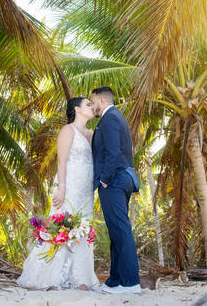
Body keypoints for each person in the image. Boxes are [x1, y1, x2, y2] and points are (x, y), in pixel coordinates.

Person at [16, 97, 100, 290]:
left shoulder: (92, 133)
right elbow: (61, 161)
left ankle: (81, 279)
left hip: (85, 188)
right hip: (68, 185)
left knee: (82, 227)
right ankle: (53, 278)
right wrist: (61, 187)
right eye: (88, 104)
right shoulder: (67, 130)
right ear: (77, 109)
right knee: (61, 226)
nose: (91, 107)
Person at [90, 86, 141, 294]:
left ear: (101, 100)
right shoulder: (116, 117)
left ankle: (131, 282)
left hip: (115, 180)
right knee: (117, 231)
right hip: (123, 179)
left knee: (120, 230)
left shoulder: (110, 118)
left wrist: (104, 179)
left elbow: (112, 151)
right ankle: (116, 280)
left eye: (93, 101)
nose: (92, 105)